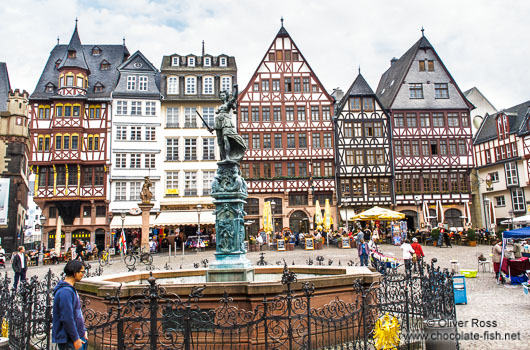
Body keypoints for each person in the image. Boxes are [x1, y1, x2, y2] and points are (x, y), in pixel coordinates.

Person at [52, 260, 87, 349]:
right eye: (82, 272)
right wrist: (75, 339)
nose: (83, 274)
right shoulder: (65, 292)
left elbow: (76, 313)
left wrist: (83, 331)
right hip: (69, 339)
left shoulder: (69, 289)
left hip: (76, 337)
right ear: (75, 272)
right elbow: (67, 317)